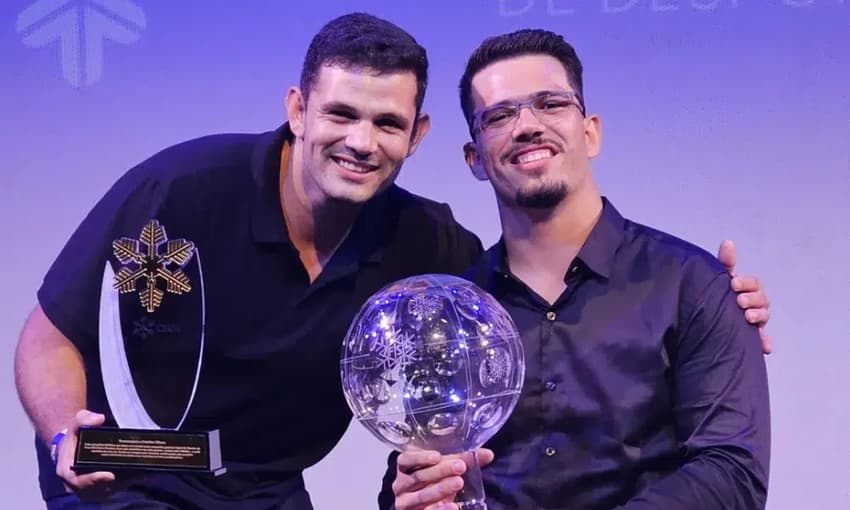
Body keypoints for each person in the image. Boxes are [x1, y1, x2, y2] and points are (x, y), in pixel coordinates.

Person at [14, 13, 768, 510]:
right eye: (340, 113)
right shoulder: (180, 190)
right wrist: (61, 434)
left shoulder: (429, 255)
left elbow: (529, 296)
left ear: (419, 135)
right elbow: (49, 336)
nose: (361, 141)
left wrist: (718, 301)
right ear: (297, 109)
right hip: (130, 470)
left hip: (262, 489)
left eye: (387, 122)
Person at [385, 29, 771, 510]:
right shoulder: (453, 316)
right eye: (500, 116)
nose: (527, 126)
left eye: (550, 104)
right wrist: (414, 496)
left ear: (590, 133)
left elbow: (731, 475)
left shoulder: (692, 285)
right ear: (475, 158)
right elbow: (413, 478)